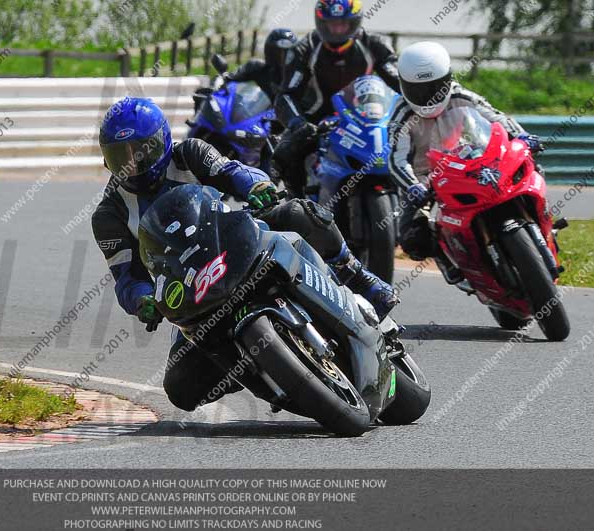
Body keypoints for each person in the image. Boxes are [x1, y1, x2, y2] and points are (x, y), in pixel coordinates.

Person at [92, 97, 398, 411]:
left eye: (142, 152)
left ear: (163, 141)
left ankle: (359, 278)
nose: (133, 165)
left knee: (297, 213)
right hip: (188, 288)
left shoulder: (190, 154)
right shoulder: (109, 214)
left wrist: (255, 187)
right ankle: (254, 368)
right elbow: (127, 278)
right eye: (120, 157)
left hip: (239, 240)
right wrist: (142, 300)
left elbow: (233, 172)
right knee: (181, 389)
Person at [388, 41, 543, 283]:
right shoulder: (401, 114)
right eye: (419, 90)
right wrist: (413, 186)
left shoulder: (462, 95)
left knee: (528, 166)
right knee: (413, 238)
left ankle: (545, 225)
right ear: (404, 85)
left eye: (435, 88)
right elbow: (396, 159)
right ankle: (447, 259)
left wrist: (523, 137)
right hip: (425, 182)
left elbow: (497, 117)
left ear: (447, 80)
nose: (428, 97)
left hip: (468, 164)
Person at [272, 0, 401, 197]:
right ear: (321, 22)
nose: (338, 30)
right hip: (318, 121)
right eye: (332, 24)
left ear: (355, 22)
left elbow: (399, 83)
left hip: (368, 119)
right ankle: (295, 202)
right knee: (286, 152)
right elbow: (286, 94)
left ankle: (418, 207)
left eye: (344, 24)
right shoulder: (304, 48)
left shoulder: (374, 44)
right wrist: (297, 122)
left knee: (414, 142)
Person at [224, 28, 298, 102]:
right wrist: (222, 79)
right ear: (270, 51)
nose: (285, 57)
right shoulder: (258, 68)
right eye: (279, 52)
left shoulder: (298, 75)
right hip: (259, 113)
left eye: (289, 52)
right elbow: (232, 77)